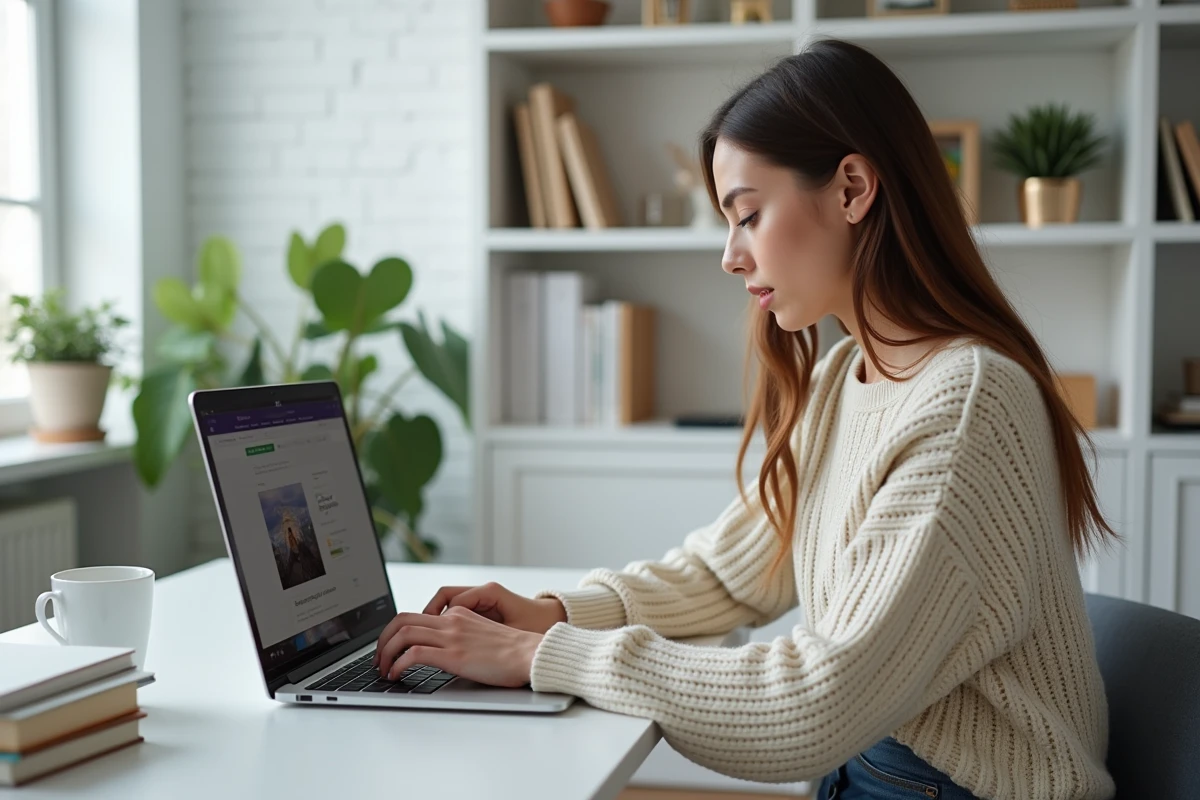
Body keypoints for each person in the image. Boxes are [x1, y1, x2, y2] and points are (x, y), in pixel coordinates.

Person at [372, 38, 1117, 800]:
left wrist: (544, 657)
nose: (730, 256)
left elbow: (816, 703)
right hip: (873, 770)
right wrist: (553, 613)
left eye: (748, 215)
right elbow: (729, 574)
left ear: (853, 188)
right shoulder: (845, 377)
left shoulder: (966, 403)